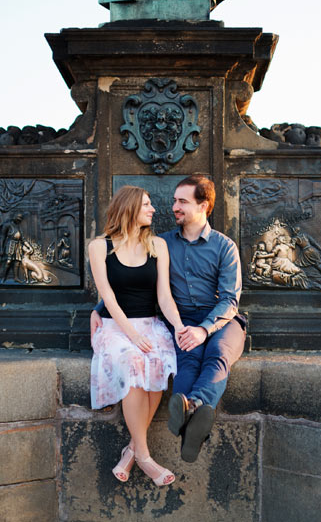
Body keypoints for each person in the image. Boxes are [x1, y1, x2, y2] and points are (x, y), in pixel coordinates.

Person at [92, 176, 246, 463]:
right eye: (175, 200)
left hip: (222, 321)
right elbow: (134, 281)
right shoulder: (160, 243)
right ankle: (191, 421)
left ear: (204, 205)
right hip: (183, 319)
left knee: (217, 355)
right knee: (186, 360)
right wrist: (99, 308)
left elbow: (229, 300)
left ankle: (194, 406)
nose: (174, 206)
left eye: (182, 202)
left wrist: (204, 329)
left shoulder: (224, 247)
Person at [88, 185, 184, 487]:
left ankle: (131, 449)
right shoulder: (99, 247)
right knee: (133, 362)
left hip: (150, 324)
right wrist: (131, 335)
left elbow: (165, 298)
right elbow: (109, 298)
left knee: (157, 362)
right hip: (115, 328)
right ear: (129, 208)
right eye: (146, 204)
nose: (153, 209)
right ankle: (144, 457)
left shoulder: (157, 245)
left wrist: (179, 327)